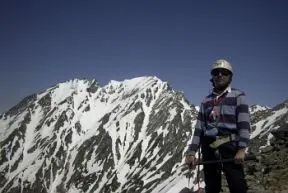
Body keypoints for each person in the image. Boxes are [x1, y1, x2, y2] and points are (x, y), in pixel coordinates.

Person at [185, 59, 251, 193]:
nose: (220, 75)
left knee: (238, 186)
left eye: (224, 72)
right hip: (209, 148)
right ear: (212, 77)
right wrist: (192, 152)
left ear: (230, 76)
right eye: (216, 73)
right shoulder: (206, 101)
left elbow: (244, 124)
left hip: (231, 148)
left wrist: (242, 149)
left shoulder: (238, 96)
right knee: (212, 187)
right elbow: (199, 130)